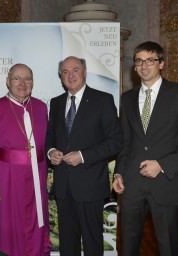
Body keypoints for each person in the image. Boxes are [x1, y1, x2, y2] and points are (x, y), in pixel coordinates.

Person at [112, 41, 178, 256]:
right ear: (134, 66)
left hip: (166, 184)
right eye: (139, 61)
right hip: (132, 185)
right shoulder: (127, 99)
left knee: (168, 247)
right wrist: (119, 172)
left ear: (161, 63)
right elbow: (125, 142)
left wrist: (162, 165)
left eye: (150, 60)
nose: (144, 66)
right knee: (128, 245)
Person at [45, 56, 123, 256]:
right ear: (60, 77)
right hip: (63, 187)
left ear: (85, 71)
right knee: (67, 243)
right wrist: (51, 151)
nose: (70, 75)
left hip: (90, 186)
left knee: (92, 242)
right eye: (65, 72)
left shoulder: (103, 100)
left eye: (75, 70)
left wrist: (83, 155)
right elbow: (50, 137)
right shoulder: (55, 103)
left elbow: (116, 141)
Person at [0, 64, 50, 256]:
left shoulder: (41, 107)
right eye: (17, 78)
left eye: (27, 79)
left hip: (36, 177)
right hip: (6, 179)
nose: (22, 83)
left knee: (36, 223)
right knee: (9, 226)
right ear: (7, 81)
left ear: (33, 83)